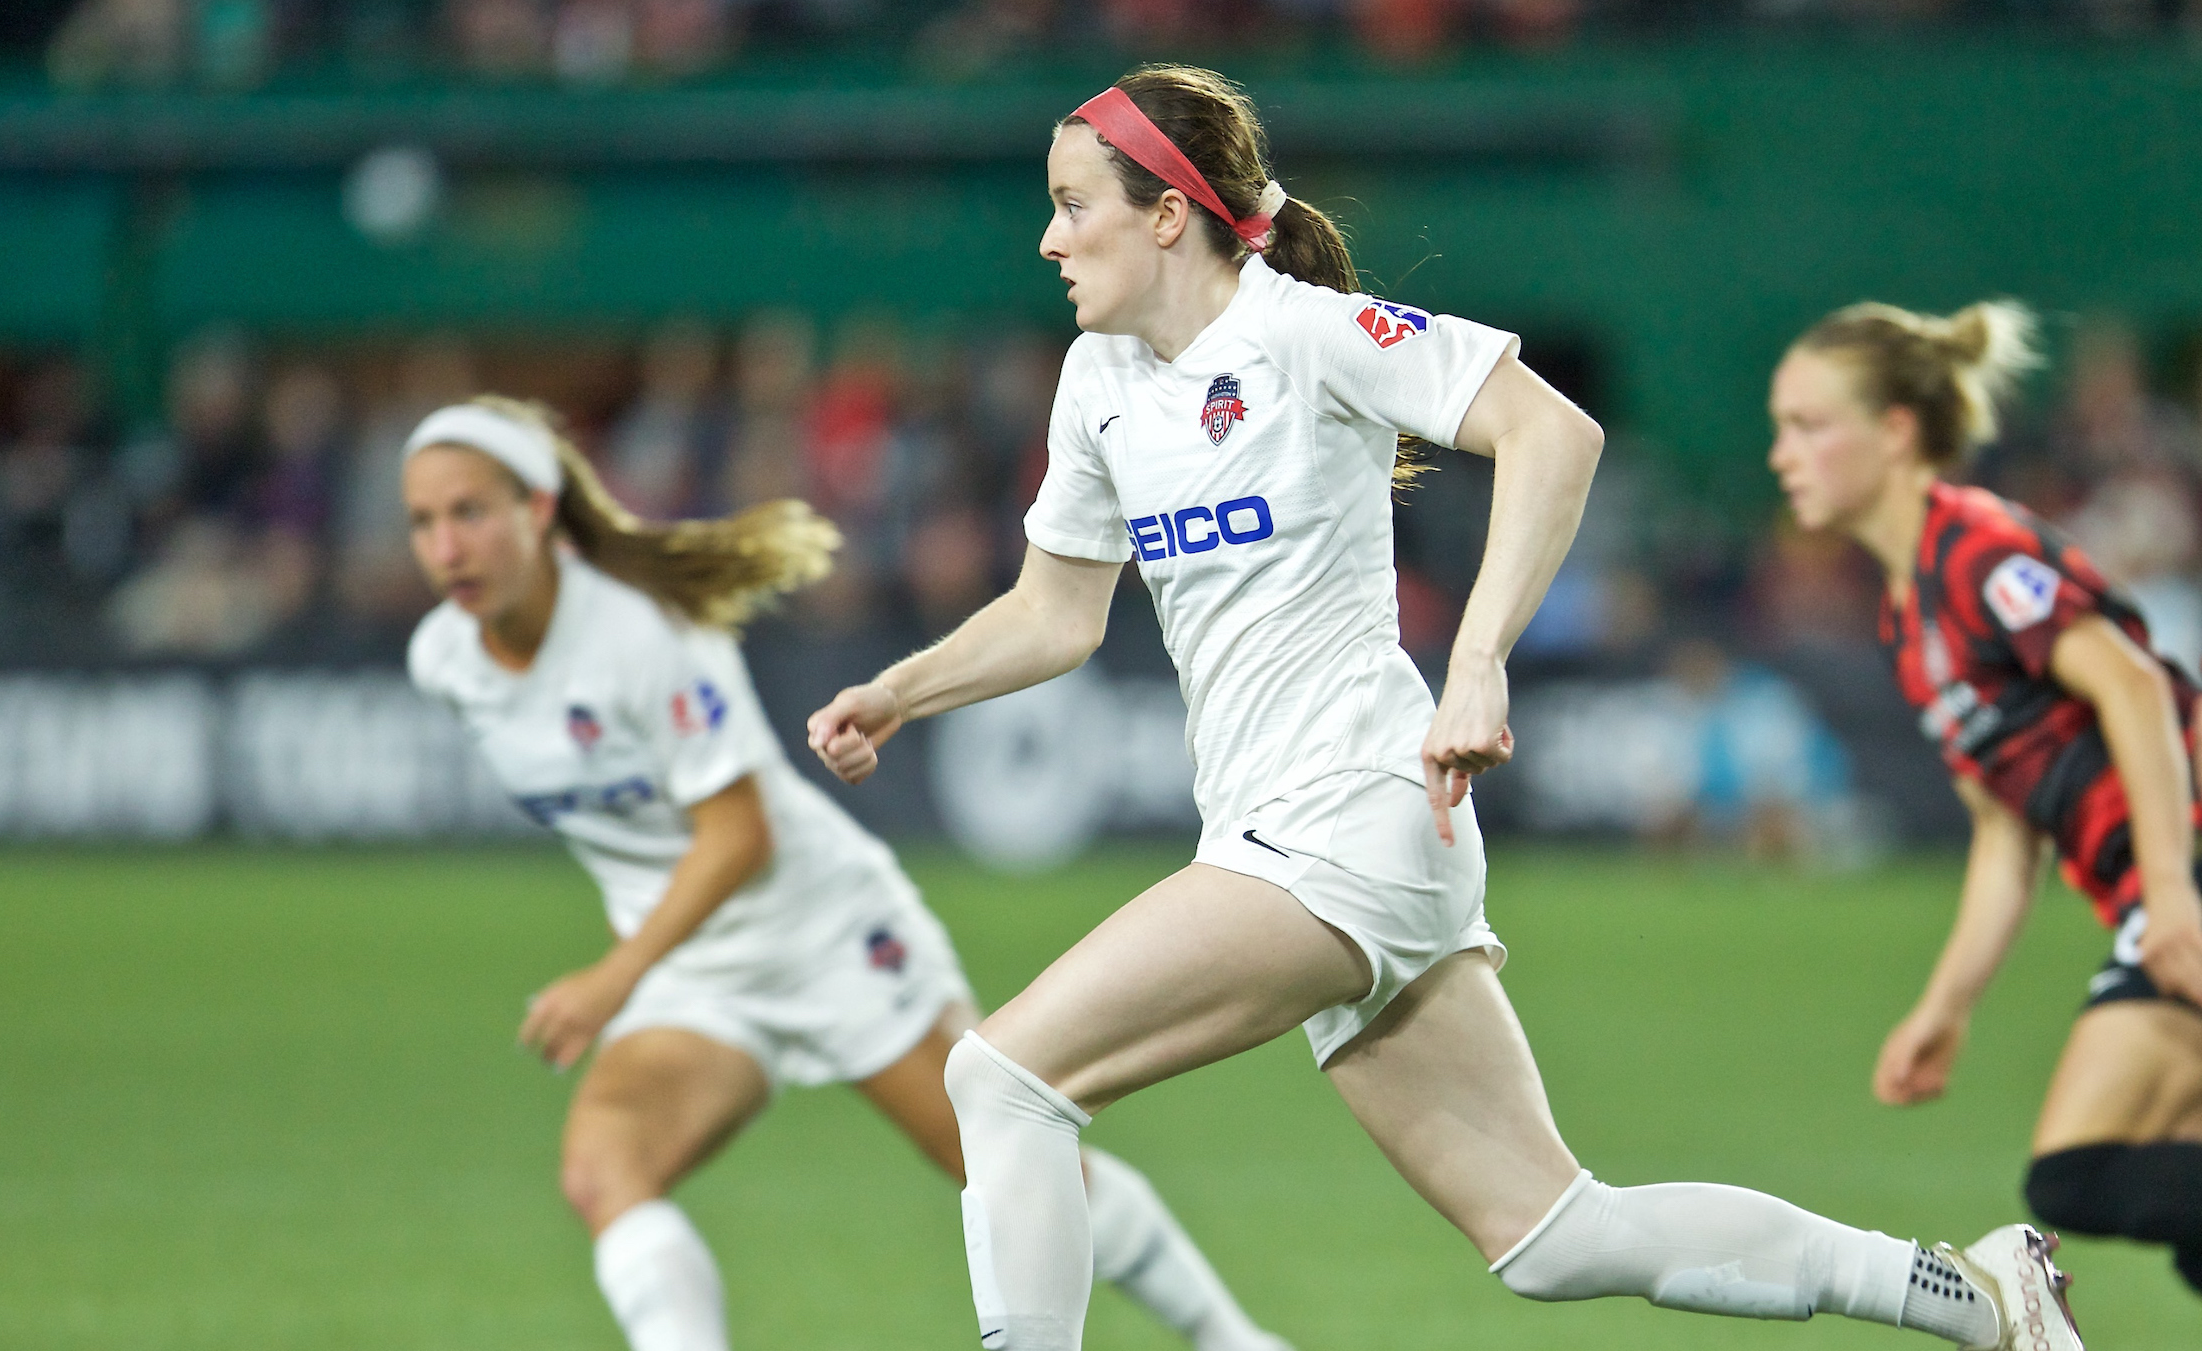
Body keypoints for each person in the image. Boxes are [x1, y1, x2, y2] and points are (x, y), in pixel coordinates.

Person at [804, 64, 2078, 1351]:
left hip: (1347, 814)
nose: (1050, 237)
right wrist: (899, 691)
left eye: (1076, 205)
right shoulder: (1102, 382)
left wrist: (1477, 661)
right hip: (1294, 837)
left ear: (1169, 216)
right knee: (1555, 1233)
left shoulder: (1303, 333)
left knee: (1003, 1078)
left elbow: (1554, 435)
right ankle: (1974, 1296)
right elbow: (1056, 613)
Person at [397, 396, 1295, 1351]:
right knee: (604, 1171)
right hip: (694, 964)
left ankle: (1231, 1339)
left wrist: (612, 979)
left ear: (537, 510)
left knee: (990, 1157)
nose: (446, 544)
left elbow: (740, 835)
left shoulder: (637, 633)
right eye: (422, 521)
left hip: (821, 927)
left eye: (470, 512)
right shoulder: (446, 661)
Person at [1769, 300, 2202, 1294]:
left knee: (2083, 1171)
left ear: (1895, 430)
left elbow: (2134, 685)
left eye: (1808, 424)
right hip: (2165, 881)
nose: (1783, 454)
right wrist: (1946, 1005)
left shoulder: (1975, 546)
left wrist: (2170, 888)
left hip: (2186, 863)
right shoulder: (1907, 617)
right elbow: (2006, 833)